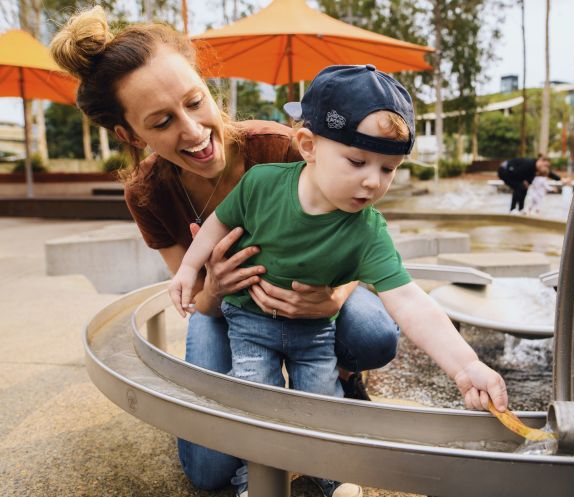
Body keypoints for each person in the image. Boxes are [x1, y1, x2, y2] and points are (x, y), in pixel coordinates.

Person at [50, 8, 401, 496]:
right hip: (227, 310)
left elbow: (358, 237)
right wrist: (213, 287)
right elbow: (195, 299)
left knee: (375, 334)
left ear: (207, 89)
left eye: (195, 102)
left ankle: (337, 383)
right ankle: (274, 387)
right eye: (162, 121)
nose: (193, 131)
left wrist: (335, 297)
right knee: (208, 472)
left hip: (312, 294)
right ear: (131, 135)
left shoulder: (280, 149)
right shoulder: (148, 193)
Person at [169, 64, 510, 497]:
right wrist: (187, 270)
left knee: (321, 406)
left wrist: (466, 367)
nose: (373, 181)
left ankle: (329, 471)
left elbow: (409, 300)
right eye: (357, 161)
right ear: (308, 146)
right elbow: (217, 225)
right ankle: (255, 476)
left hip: (314, 334)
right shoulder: (261, 185)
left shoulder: (367, 230)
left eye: (389, 169)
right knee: (258, 400)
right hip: (250, 325)